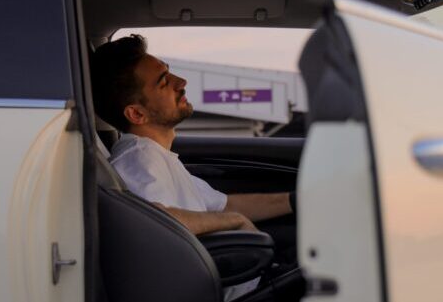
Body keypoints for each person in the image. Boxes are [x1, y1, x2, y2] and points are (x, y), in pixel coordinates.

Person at [91, 34, 294, 236]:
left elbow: (224, 206)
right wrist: (235, 221)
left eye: (169, 73)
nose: (181, 82)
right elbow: (156, 222)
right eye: (164, 82)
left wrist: (295, 201)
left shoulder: (157, 155)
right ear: (137, 114)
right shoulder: (140, 160)